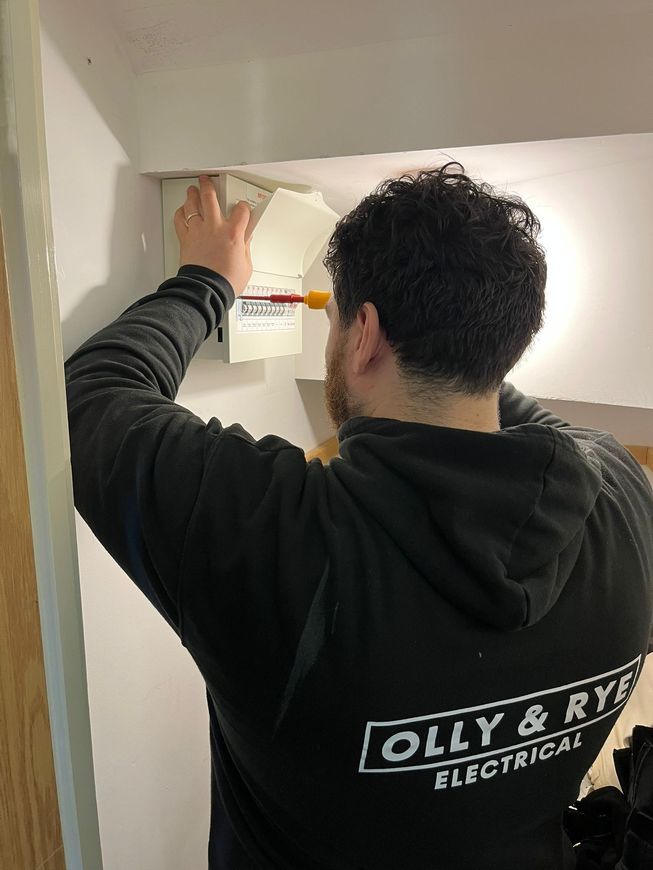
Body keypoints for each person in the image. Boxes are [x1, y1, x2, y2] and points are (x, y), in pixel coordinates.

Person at [65, 165, 653, 870]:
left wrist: (206, 280)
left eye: (336, 320)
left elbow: (88, 394)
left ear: (364, 333)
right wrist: (466, 344)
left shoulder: (275, 538)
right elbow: (531, 423)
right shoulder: (624, 494)